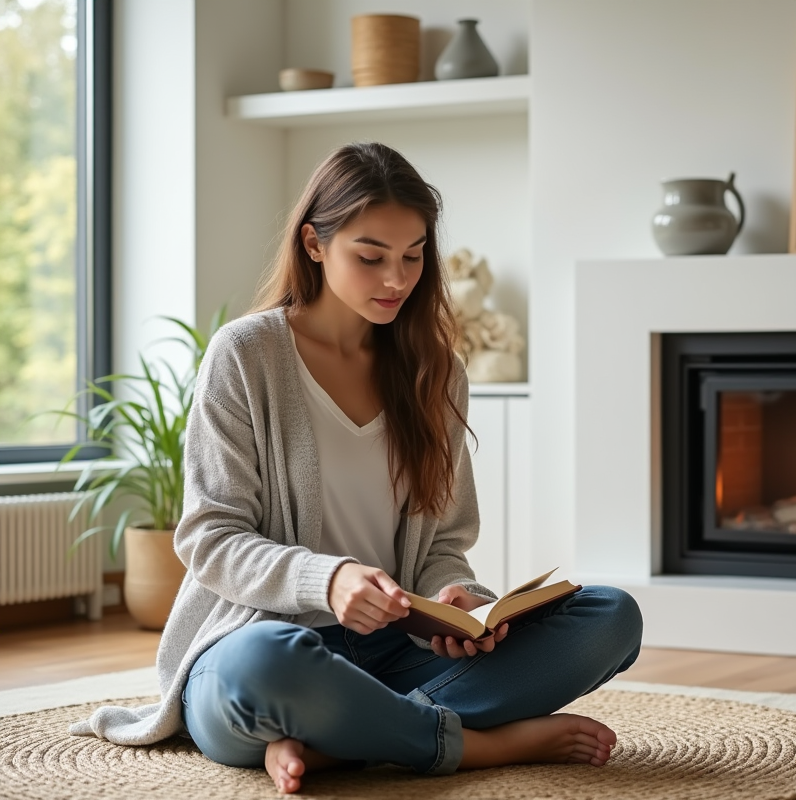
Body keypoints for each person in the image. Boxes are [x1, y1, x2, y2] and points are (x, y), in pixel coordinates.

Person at [70, 142, 644, 794]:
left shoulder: (438, 373)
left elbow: (446, 544)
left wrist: (456, 603)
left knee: (611, 617)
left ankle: (347, 741)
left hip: (399, 655)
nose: (396, 279)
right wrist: (330, 581)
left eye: (413, 254)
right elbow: (210, 538)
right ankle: (470, 745)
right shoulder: (247, 356)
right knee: (264, 668)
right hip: (267, 642)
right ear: (315, 244)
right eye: (370, 257)